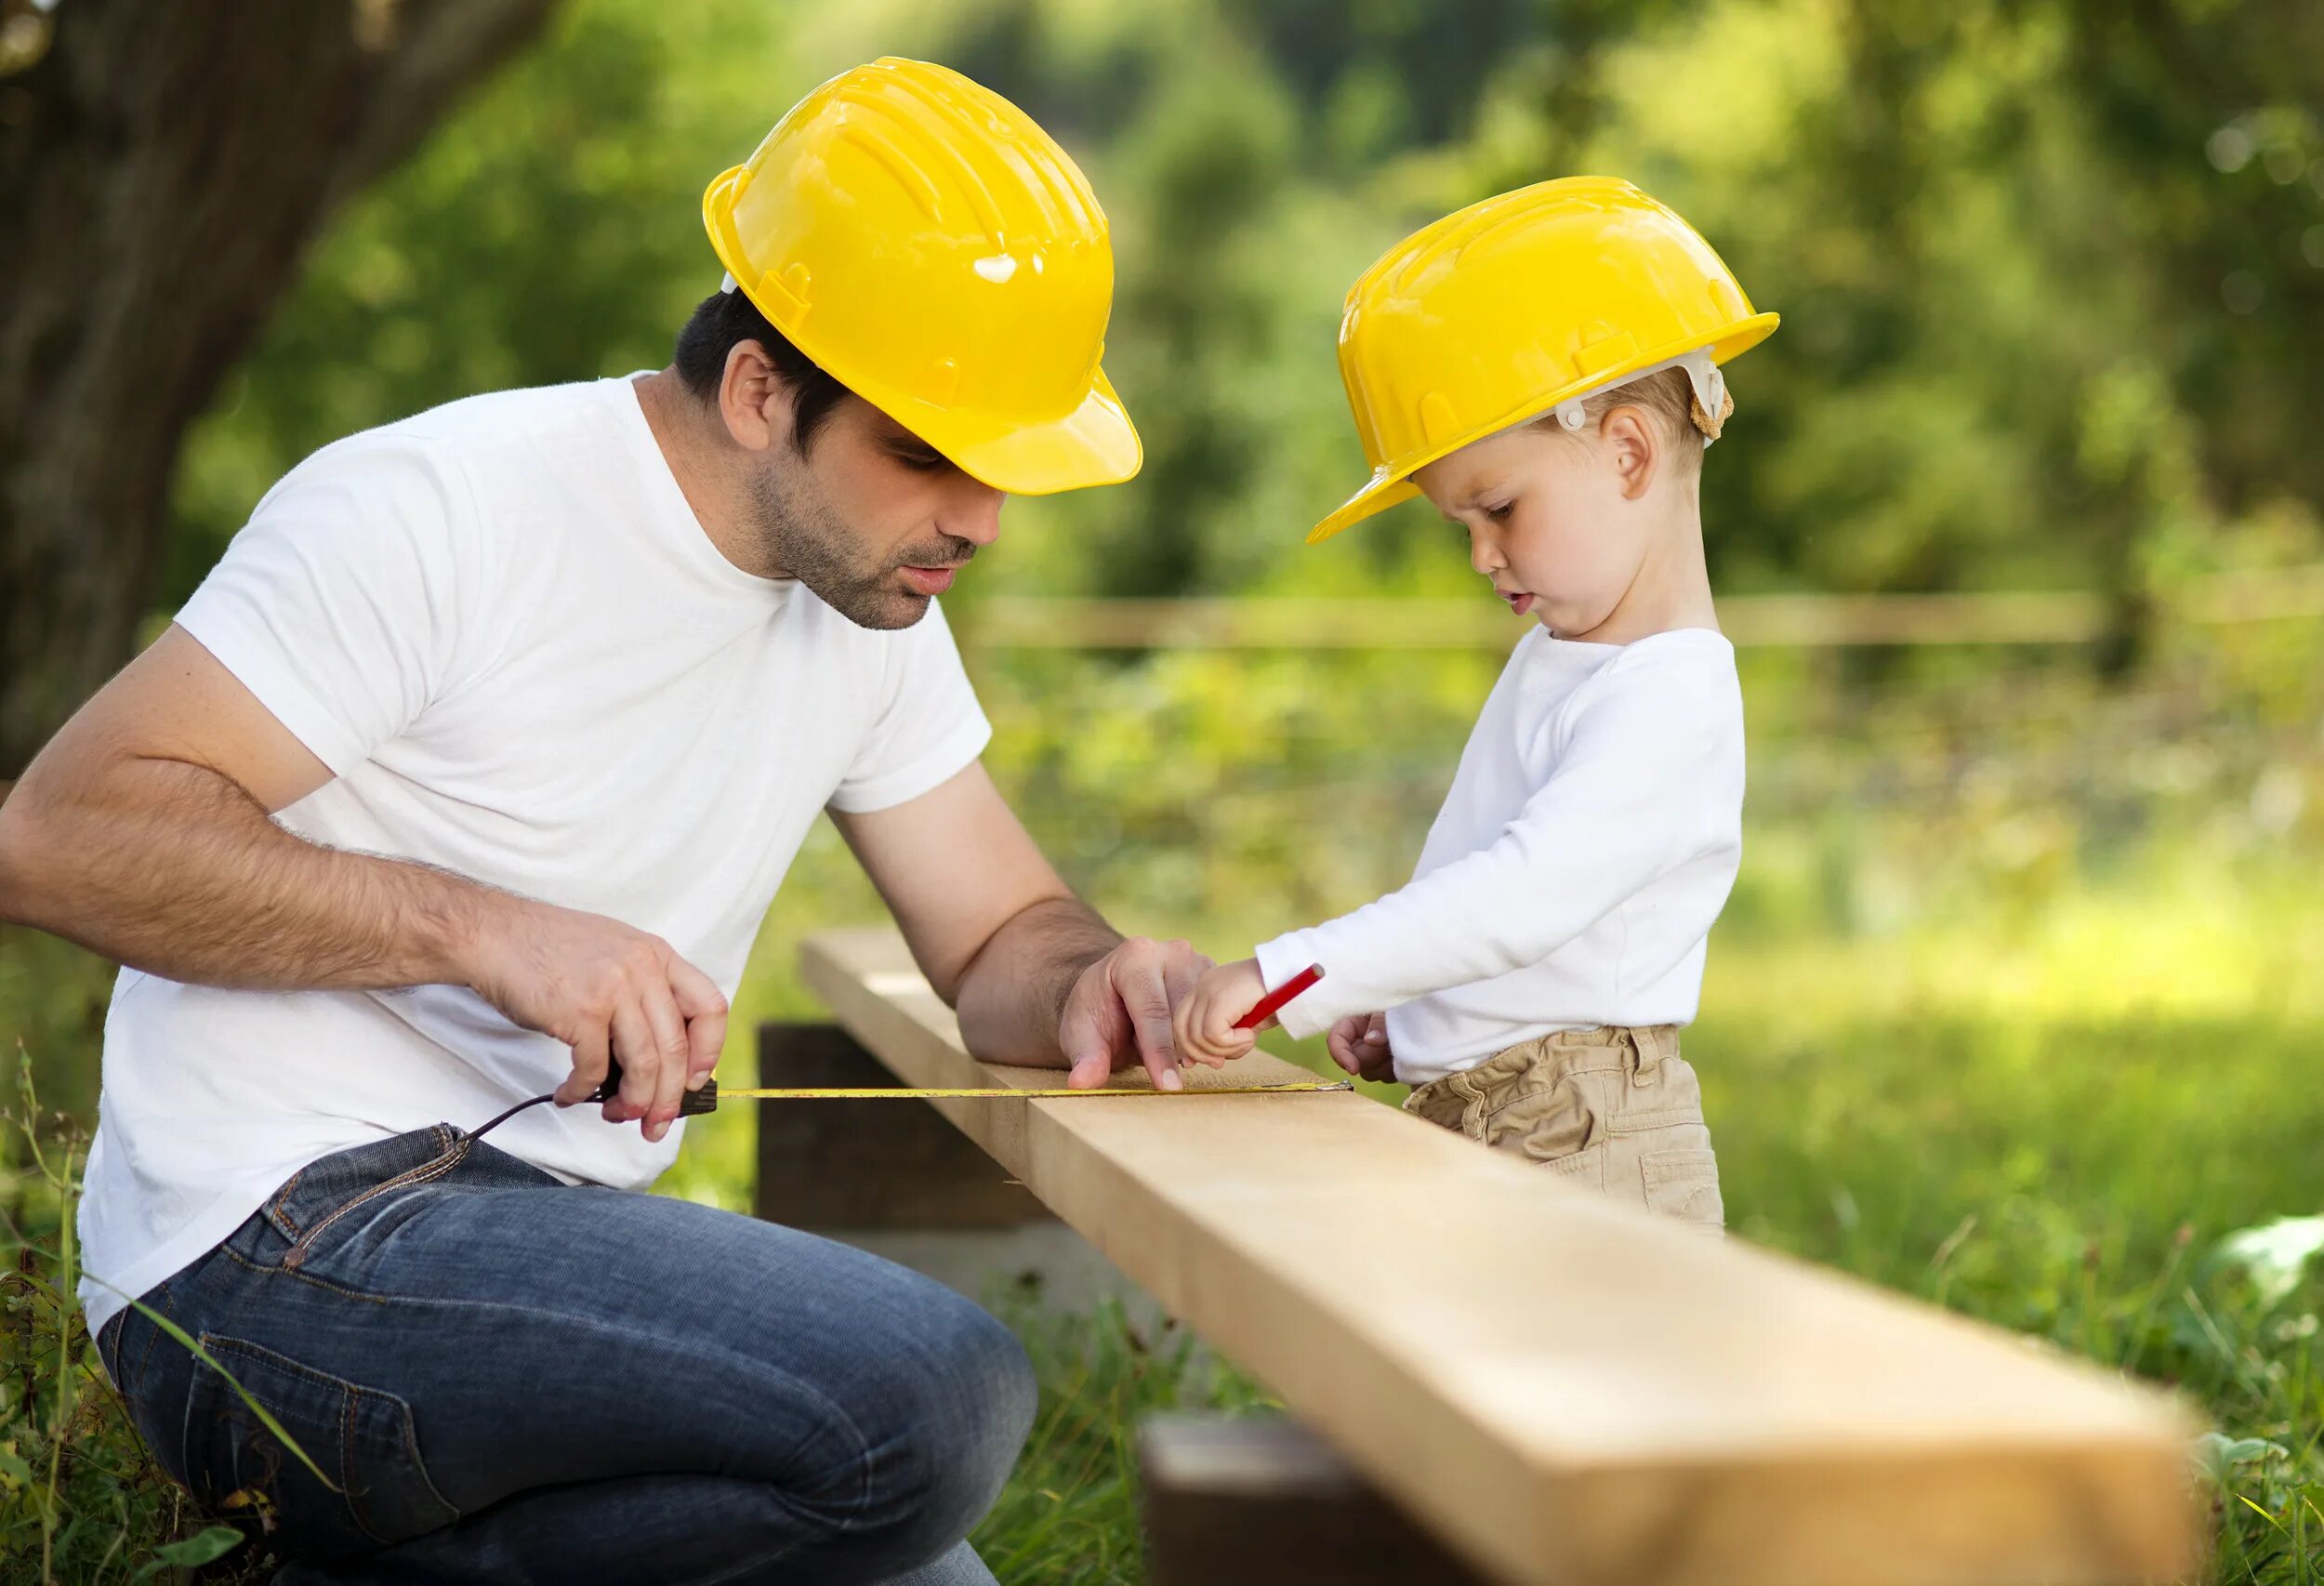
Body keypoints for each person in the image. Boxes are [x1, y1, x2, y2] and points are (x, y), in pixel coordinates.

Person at [0, 58, 1211, 1585]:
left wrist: (1101, 978)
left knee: (931, 1560)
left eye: (1008, 470)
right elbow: (53, 836)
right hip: (271, 1252)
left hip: (540, 1252)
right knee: (937, 1394)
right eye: (928, 453)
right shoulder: (440, 505)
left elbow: (999, 936)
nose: (978, 519)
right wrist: (485, 932)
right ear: (763, 388)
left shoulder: (874, 601)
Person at [1174, 178, 1778, 1229]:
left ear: (1628, 452)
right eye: (1461, 522)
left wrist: (1286, 980)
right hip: (1499, 1117)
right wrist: (1416, 1016)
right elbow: (1494, 903)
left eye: (1497, 507)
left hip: (1587, 1142)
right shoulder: (1566, 655)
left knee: (1592, 1398)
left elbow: (1519, 895)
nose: (1480, 554)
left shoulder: (1668, 698)